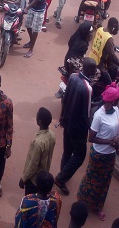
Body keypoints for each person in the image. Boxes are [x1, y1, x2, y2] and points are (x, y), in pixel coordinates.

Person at [55, 57, 97, 196]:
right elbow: (87, 114)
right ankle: (61, 178)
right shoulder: (87, 88)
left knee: (67, 151)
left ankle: (63, 173)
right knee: (79, 155)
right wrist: (89, 129)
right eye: (94, 68)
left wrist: (62, 117)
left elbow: (65, 99)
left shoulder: (73, 77)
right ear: (89, 69)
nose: (95, 71)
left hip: (67, 121)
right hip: (78, 128)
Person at [77, 84, 119, 222]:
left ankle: (98, 206)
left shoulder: (117, 111)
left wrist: (116, 139)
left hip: (111, 154)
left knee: (105, 181)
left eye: (109, 102)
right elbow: (91, 138)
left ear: (114, 102)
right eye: (105, 101)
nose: (106, 104)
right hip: (99, 154)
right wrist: (109, 142)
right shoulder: (99, 115)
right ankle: (82, 201)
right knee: (91, 179)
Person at [19, 107, 56, 195]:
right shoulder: (52, 135)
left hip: (34, 180)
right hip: (44, 173)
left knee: (31, 199)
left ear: (39, 122)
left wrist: (23, 179)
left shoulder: (38, 143)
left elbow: (33, 165)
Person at [89, 18, 119, 93]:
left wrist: (113, 46)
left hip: (92, 57)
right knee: (110, 87)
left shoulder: (100, 29)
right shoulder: (109, 38)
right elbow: (112, 56)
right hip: (100, 65)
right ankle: (103, 99)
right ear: (113, 28)